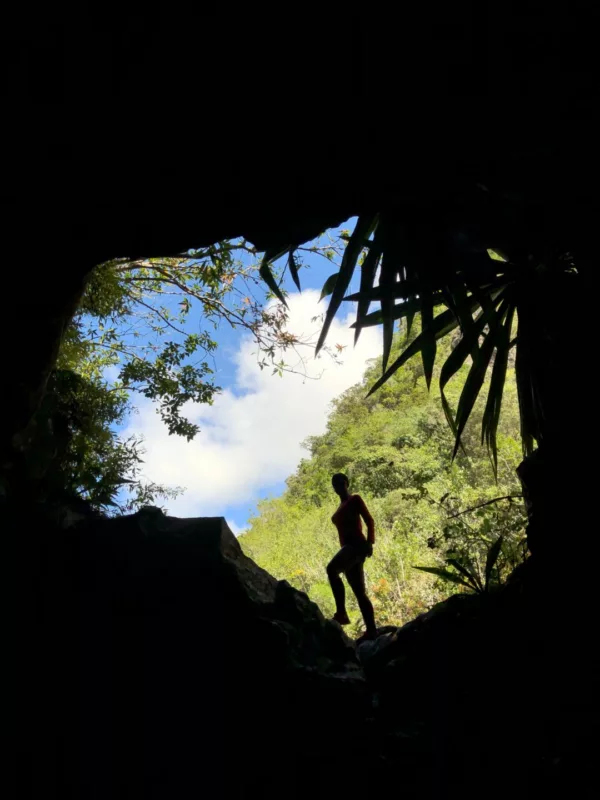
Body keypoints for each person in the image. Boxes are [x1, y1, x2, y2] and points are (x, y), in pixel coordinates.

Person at [327, 473, 377, 639]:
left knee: (332, 569)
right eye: (335, 484)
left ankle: (341, 613)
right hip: (349, 548)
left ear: (347, 483)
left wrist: (370, 542)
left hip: (356, 545)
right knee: (359, 592)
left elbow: (369, 520)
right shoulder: (340, 507)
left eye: (341, 482)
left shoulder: (354, 499)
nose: (338, 486)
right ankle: (372, 631)